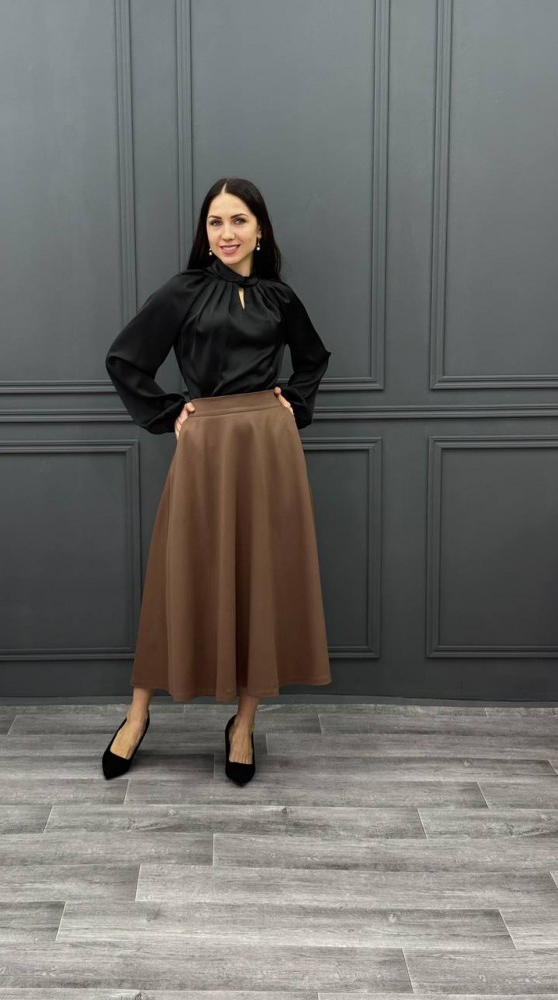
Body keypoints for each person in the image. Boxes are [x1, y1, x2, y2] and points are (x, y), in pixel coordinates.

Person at [101, 177, 332, 785]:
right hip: (206, 444)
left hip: (269, 446)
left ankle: (243, 725)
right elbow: (124, 358)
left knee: (261, 575)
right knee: (177, 573)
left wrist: (293, 402)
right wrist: (169, 412)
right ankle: (137, 715)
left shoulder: (280, 298)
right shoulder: (185, 291)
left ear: (260, 229)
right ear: (204, 234)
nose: (226, 233)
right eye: (215, 222)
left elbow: (313, 359)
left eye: (238, 220)